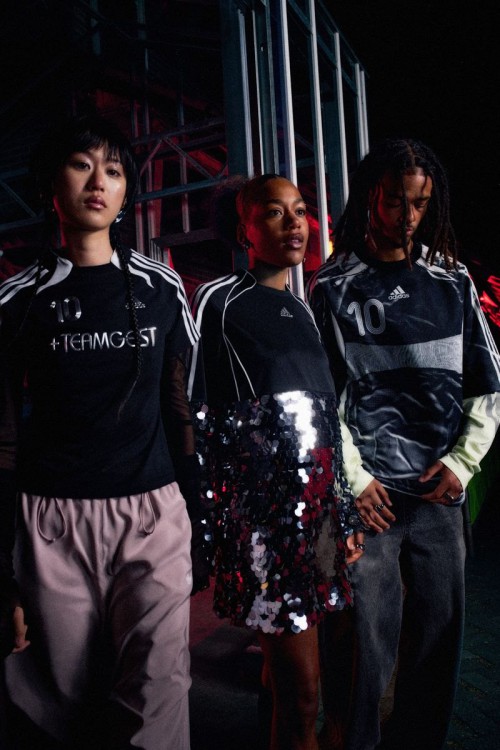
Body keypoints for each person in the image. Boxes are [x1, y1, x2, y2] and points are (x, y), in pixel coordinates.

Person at [0, 114, 208, 749]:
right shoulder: (17, 300)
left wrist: (197, 516)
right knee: (60, 709)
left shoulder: (161, 287)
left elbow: (181, 408)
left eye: (113, 171)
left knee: (158, 699)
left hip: (153, 515)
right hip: (51, 523)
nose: (98, 181)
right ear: (51, 186)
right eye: (81, 165)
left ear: (125, 194)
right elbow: (3, 435)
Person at [306, 137, 500, 750]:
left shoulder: (452, 279)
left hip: (438, 494)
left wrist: (462, 462)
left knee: (438, 642)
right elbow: (321, 399)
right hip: (373, 500)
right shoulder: (333, 285)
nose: (408, 216)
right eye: (396, 201)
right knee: (364, 649)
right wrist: (355, 479)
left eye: (420, 203)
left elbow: (488, 382)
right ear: (372, 196)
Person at [187, 174, 365, 750]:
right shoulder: (219, 300)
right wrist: (208, 527)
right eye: (273, 212)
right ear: (245, 230)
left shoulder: (305, 308)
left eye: (300, 210)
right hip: (268, 525)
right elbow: (196, 414)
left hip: (323, 521)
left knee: (327, 682)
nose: (294, 224)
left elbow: (325, 422)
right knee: (301, 696)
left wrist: (343, 511)